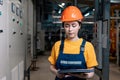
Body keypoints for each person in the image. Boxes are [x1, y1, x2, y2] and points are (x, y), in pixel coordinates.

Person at [48, 6, 98, 80]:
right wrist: (56, 73)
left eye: (73, 25)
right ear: (63, 27)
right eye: (67, 26)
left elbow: (91, 72)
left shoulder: (88, 46)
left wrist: (83, 76)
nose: (70, 29)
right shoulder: (57, 45)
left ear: (79, 26)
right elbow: (52, 66)